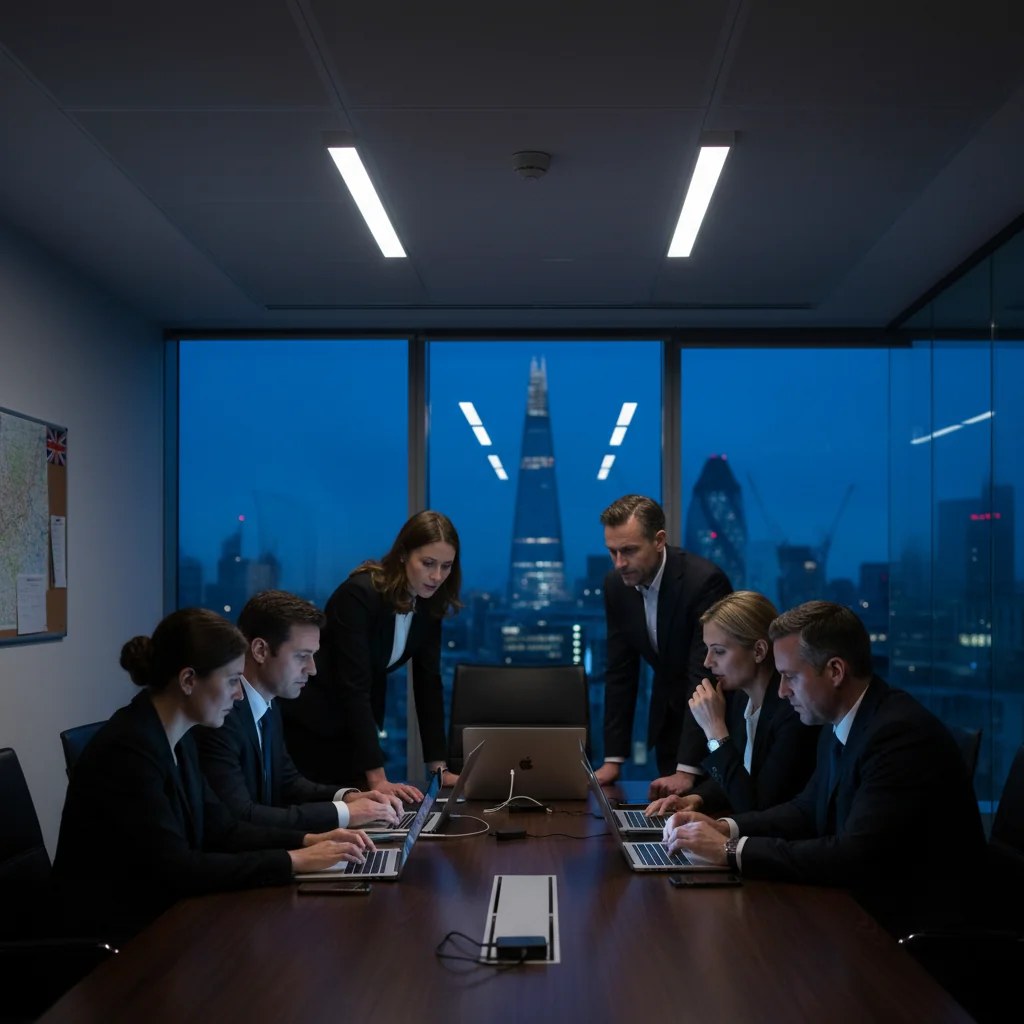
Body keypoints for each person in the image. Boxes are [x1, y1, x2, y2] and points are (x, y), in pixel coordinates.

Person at [663, 601, 986, 936]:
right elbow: (806, 809)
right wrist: (724, 828)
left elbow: (853, 856)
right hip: (863, 910)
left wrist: (730, 851)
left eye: (790, 677)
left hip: (915, 933)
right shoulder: (845, 719)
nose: (783, 691)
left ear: (835, 671)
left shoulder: (897, 735)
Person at [52, 609, 373, 942]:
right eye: (233, 681)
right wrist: (293, 860)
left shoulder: (177, 736)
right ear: (188, 680)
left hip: (161, 919)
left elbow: (224, 829)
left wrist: (310, 841)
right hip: (111, 942)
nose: (238, 696)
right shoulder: (130, 750)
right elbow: (179, 869)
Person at [281, 511, 461, 802]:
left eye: (446, 566)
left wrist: (439, 770)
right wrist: (377, 778)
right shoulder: (359, 595)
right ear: (403, 555)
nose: (437, 576)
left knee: (366, 821)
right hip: (312, 725)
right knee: (326, 820)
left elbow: (429, 683)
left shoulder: (429, 604)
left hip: (356, 731)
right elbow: (353, 685)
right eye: (428, 563)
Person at [195, 590, 402, 831]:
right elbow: (240, 815)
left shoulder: (270, 705)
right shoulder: (222, 716)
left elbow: (288, 783)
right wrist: (343, 814)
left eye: (313, 656)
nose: (312, 669)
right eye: (302, 656)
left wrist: (347, 797)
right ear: (260, 650)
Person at [594, 494, 732, 798]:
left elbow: (704, 674)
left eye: (629, 551)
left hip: (712, 724)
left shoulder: (704, 582)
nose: (620, 563)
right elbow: (620, 672)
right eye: (612, 552)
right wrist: (613, 760)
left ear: (659, 541)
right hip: (668, 721)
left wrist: (687, 769)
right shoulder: (615, 586)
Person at [646, 591, 819, 819]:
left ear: (758, 651)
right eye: (707, 650)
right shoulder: (741, 698)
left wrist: (715, 731)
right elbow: (738, 774)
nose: (708, 662)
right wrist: (697, 799)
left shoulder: (792, 710)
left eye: (719, 651)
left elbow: (755, 805)